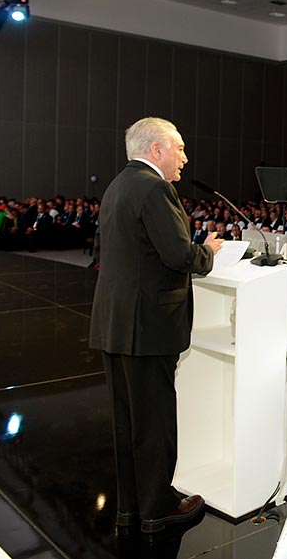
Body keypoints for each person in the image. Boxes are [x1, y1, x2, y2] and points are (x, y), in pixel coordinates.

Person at [90, 117, 222, 535]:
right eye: (179, 148)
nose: (185, 157)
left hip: (117, 323)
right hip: (147, 327)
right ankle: (158, 509)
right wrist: (208, 251)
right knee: (155, 424)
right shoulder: (155, 188)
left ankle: (130, 508)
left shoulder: (117, 186)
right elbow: (178, 255)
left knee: (128, 423)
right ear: (156, 150)